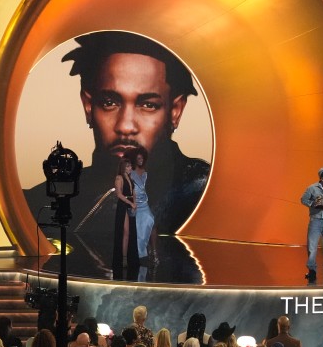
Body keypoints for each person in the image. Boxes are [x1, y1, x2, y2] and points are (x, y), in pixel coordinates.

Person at [23, 31, 211, 269]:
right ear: (88, 106)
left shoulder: (204, 194)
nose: (125, 126)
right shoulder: (37, 204)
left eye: (148, 105)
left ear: (176, 111)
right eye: (109, 103)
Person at [112, 156, 139, 276]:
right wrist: (130, 203)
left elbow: (133, 193)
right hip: (123, 205)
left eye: (130, 166)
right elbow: (119, 194)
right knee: (126, 232)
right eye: (128, 166)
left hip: (130, 204)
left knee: (131, 232)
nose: (130, 168)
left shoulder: (130, 178)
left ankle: (129, 257)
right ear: (123, 167)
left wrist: (135, 203)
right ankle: (123, 258)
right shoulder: (119, 178)